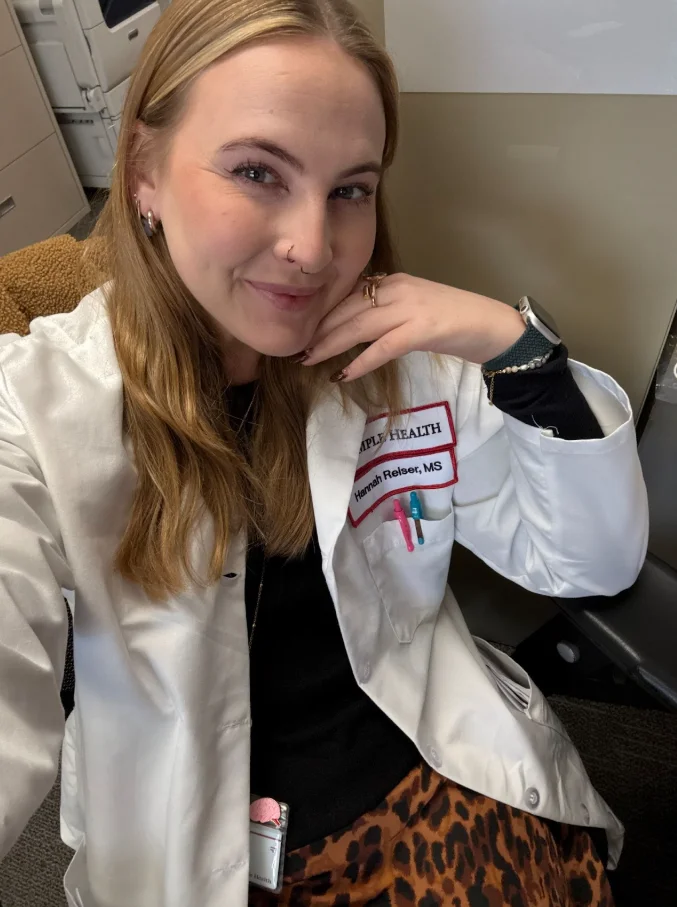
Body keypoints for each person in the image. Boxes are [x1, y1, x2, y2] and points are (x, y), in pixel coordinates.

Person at [0, 0, 648, 904]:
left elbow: (587, 559)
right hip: (190, 848)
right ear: (144, 171)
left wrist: (515, 348)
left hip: (426, 780)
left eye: (350, 188)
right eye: (258, 171)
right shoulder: (32, 407)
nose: (312, 248)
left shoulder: (405, 365)